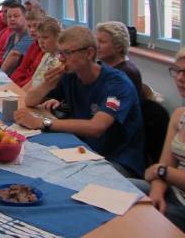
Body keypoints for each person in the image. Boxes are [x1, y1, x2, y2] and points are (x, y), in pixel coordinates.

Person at [15, 26, 144, 178]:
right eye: (60, 53)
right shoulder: (72, 75)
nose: (61, 59)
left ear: (89, 53)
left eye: (67, 53)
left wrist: (43, 123)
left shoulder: (117, 84)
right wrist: (47, 84)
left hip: (116, 158)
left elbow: (96, 127)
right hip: (83, 148)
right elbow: (30, 101)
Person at [130, 48, 185, 231]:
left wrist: (161, 171)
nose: (180, 78)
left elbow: (161, 169)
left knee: (134, 222)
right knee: (113, 188)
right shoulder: (179, 116)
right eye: (177, 71)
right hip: (171, 191)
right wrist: (156, 192)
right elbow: (165, 164)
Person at [96, 21, 143, 99]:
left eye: (102, 42)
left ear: (119, 47)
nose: (97, 46)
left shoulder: (127, 73)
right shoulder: (101, 66)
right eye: (96, 41)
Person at [9, 10, 45, 87]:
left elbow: (35, 79)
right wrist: (11, 84)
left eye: (35, 26)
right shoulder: (33, 46)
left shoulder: (46, 49)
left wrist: (17, 87)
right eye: (29, 26)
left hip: (29, 87)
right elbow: (21, 69)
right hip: (22, 85)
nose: (32, 30)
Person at [28, 16, 62, 90]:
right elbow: (32, 81)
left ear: (57, 37)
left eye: (45, 37)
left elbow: (44, 90)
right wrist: (18, 94)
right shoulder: (47, 55)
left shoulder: (60, 61)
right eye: (39, 37)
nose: (40, 42)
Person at [0, 2, 34, 75]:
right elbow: (4, 59)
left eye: (16, 16)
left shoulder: (30, 36)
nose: (12, 19)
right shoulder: (12, 36)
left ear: (25, 18)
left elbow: (14, 55)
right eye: (9, 16)